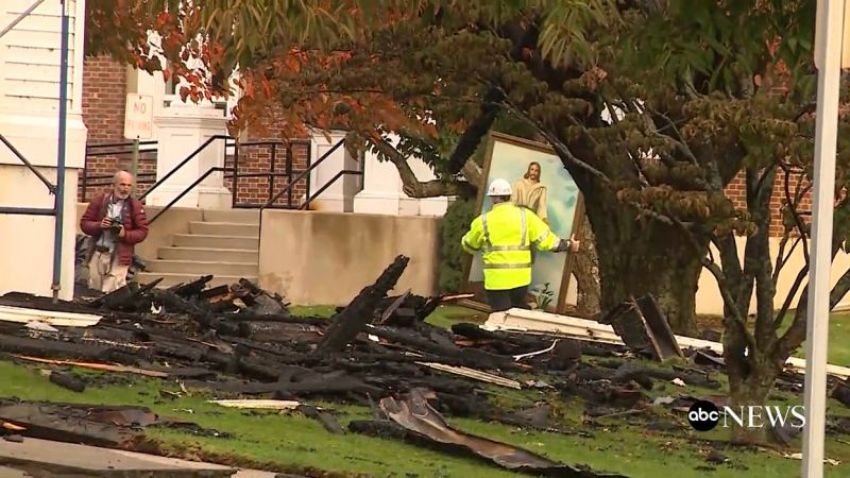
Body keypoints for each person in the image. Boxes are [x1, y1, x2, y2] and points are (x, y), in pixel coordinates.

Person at [461, 178, 579, 312]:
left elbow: (469, 245)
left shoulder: (482, 221)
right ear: (509, 195)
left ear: (493, 198)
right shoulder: (526, 216)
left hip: (497, 282)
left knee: (500, 318)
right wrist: (569, 245)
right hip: (520, 281)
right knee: (517, 317)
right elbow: (548, 241)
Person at [80, 171, 149, 293]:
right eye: (122, 184)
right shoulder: (100, 201)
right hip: (98, 252)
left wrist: (125, 234)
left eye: (129, 185)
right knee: (94, 288)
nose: (125, 189)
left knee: (112, 290)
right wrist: (99, 225)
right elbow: (85, 223)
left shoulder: (135, 206)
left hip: (119, 255)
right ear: (114, 185)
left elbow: (142, 231)